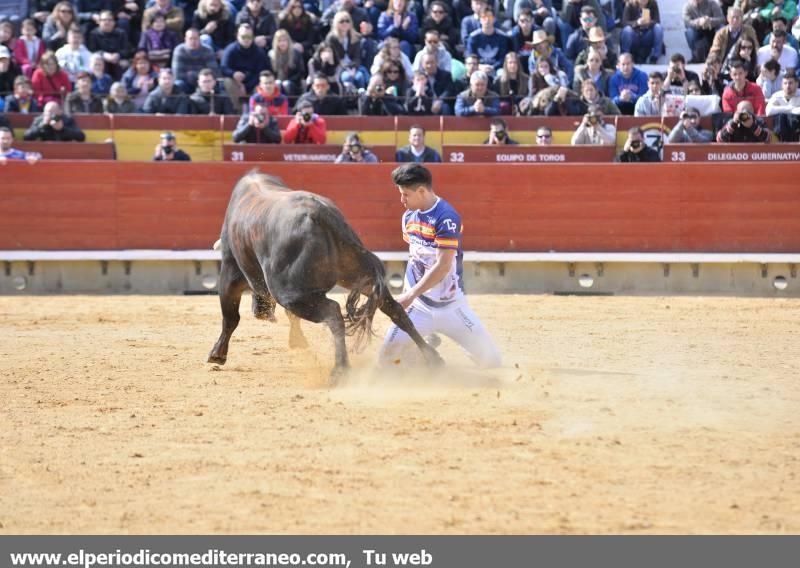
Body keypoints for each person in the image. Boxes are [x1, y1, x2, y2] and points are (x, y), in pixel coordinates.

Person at [378, 163, 502, 368]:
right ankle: (422, 346)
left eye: (405, 194)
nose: (401, 200)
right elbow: (416, 259)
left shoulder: (446, 217)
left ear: (421, 191)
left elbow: (443, 266)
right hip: (417, 309)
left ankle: (432, 340)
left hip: (452, 308)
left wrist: (409, 295)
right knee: (385, 361)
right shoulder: (408, 217)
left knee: (492, 362)